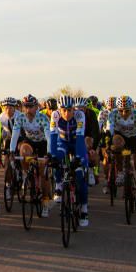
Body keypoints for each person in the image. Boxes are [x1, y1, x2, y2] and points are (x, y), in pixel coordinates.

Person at [10, 94, 53, 216]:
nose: (28, 109)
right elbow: (15, 135)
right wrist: (12, 151)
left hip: (43, 143)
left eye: (31, 106)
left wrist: (49, 153)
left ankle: (45, 200)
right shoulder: (20, 118)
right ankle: (26, 173)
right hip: (30, 142)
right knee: (23, 149)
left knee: (43, 172)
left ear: (36, 106)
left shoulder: (43, 118)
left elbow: (49, 137)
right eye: (26, 106)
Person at [105, 96, 136, 210]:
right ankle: (120, 171)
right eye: (121, 110)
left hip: (135, 138)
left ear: (131, 108)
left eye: (127, 110)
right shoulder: (113, 114)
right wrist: (107, 143)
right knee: (115, 144)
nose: (124, 113)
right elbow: (109, 129)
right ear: (117, 109)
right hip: (122, 138)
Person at [55, 95, 91, 226]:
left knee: (80, 177)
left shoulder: (80, 115)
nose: (66, 113)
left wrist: (80, 158)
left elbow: (81, 137)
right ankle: (58, 186)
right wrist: (51, 154)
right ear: (59, 109)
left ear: (73, 109)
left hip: (77, 143)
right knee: (56, 159)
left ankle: (84, 209)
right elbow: (53, 136)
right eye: (63, 110)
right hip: (63, 143)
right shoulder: (55, 115)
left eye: (69, 110)